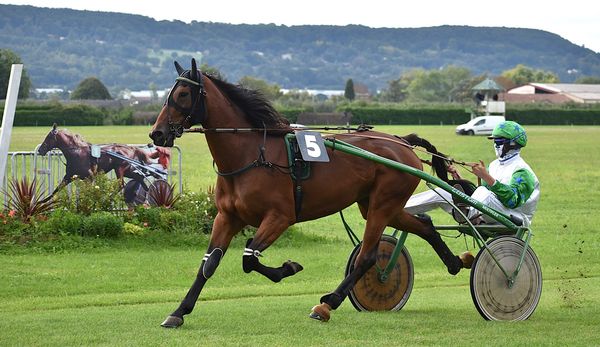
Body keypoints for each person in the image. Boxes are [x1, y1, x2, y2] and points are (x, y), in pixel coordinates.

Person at [405, 120, 540, 227]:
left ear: (512, 143)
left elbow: (512, 201)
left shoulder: (522, 171)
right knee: (442, 191)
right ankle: (400, 209)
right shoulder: (494, 165)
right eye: (494, 141)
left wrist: (486, 177)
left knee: (483, 192)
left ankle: (468, 213)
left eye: (498, 141)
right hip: (488, 211)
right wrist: (460, 180)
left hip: (514, 218)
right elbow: (486, 196)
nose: (495, 145)